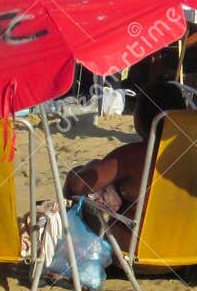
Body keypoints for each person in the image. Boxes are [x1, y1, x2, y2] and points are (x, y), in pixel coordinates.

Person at [63, 81, 185, 241]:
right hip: (190, 248)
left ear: (141, 118)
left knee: (82, 203)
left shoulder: (132, 156)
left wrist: (82, 169)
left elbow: (78, 186)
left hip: (137, 251)